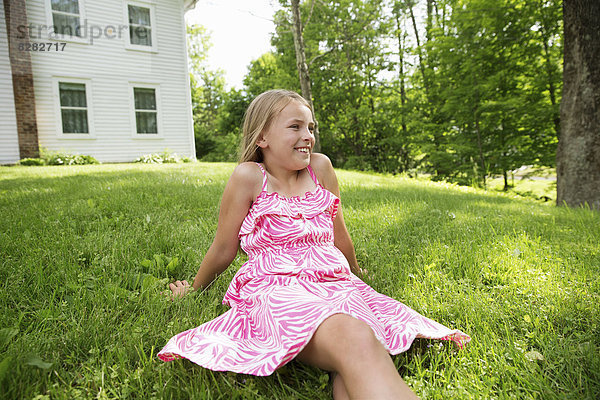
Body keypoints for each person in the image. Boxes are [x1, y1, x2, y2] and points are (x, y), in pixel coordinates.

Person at [158, 89, 470, 399]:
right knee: (356, 337)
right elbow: (223, 248)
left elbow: (338, 234)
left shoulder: (320, 168)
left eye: (311, 127)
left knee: (354, 349)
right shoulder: (250, 177)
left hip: (336, 285)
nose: (308, 135)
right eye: (295, 127)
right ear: (262, 137)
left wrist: (358, 273)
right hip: (279, 289)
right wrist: (195, 289)